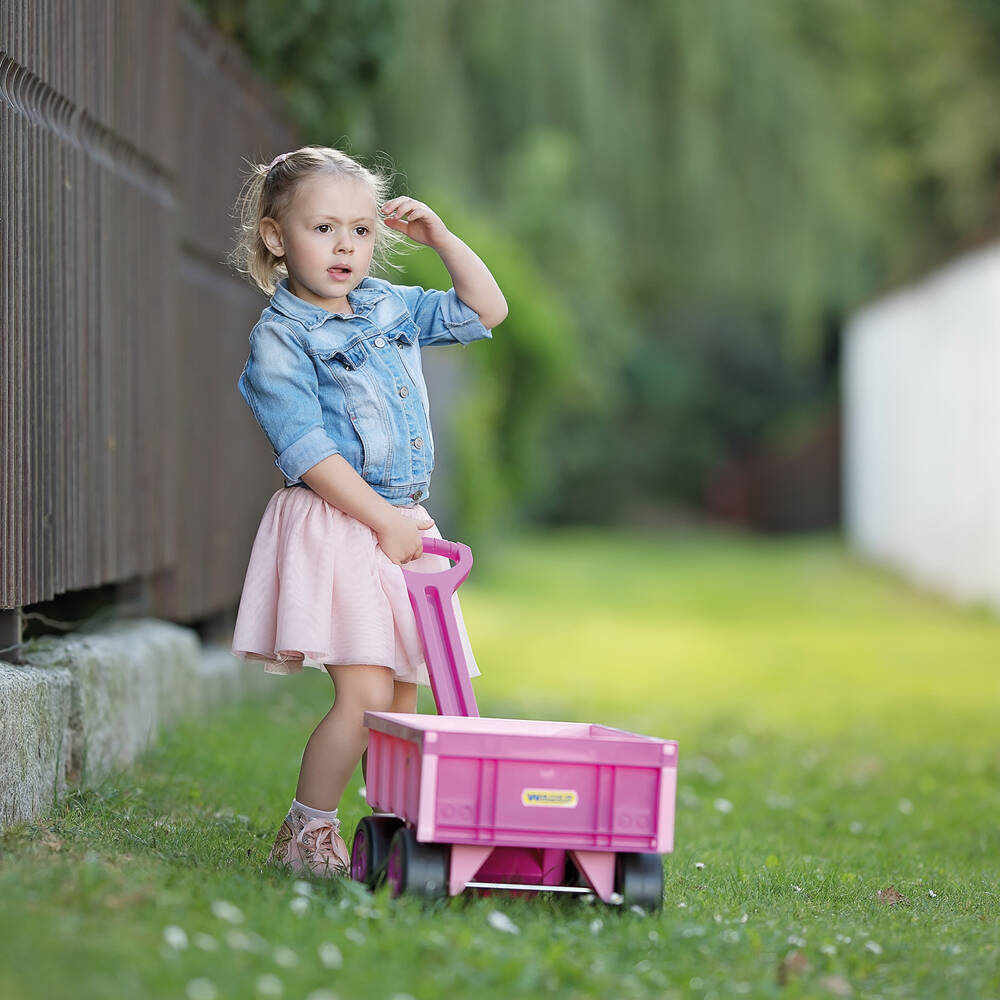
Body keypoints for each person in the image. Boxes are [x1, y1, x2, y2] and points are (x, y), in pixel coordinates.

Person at [227, 145, 506, 877]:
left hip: (401, 524)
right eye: (323, 229)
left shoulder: (388, 306)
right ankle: (306, 833)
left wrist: (443, 240)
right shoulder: (282, 338)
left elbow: (485, 310)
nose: (345, 245)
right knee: (363, 695)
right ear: (276, 236)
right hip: (342, 522)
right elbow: (307, 450)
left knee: (404, 699)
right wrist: (382, 521)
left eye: (359, 229)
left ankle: (398, 836)